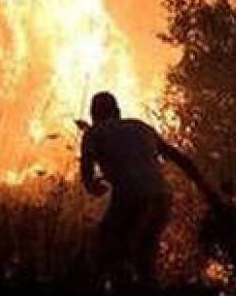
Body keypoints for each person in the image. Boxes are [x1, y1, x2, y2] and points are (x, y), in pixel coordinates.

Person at [79, 91, 220, 285]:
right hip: (162, 196)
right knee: (145, 258)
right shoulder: (141, 127)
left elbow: (87, 174)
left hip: (130, 197)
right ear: (118, 112)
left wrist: (94, 186)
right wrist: (207, 191)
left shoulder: (93, 134)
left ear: (93, 115)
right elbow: (180, 159)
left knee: (107, 249)